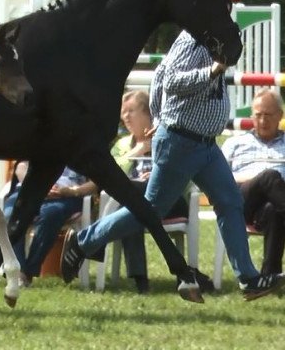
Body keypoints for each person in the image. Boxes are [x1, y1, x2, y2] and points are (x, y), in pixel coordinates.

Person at [61, 30, 285, 301]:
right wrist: (212, 72)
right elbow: (171, 79)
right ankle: (82, 241)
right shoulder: (192, 41)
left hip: (205, 144)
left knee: (229, 201)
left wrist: (156, 114)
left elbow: (159, 75)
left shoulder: (212, 43)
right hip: (181, 142)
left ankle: (248, 278)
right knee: (150, 210)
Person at [110, 90, 189, 294]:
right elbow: (109, 174)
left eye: (131, 111)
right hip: (137, 200)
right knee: (133, 208)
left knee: (131, 202)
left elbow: (182, 173)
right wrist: (137, 151)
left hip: (169, 200)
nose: (125, 117)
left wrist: (155, 177)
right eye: (123, 112)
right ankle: (140, 280)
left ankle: (139, 279)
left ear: (148, 113)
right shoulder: (121, 145)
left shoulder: (167, 138)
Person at [221, 89, 285, 274]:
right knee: (269, 176)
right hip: (241, 202)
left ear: (280, 115)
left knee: (274, 211)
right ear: (251, 116)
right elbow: (220, 178)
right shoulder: (235, 143)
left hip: (274, 203)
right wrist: (256, 178)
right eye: (258, 115)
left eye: (268, 115)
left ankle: (269, 277)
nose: (263, 121)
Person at [3, 163, 97, 287]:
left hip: (67, 195)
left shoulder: (85, 147)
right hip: (31, 188)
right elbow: (21, 167)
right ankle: (18, 271)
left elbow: (96, 183)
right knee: (11, 214)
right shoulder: (37, 142)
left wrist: (73, 191)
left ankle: (28, 272)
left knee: (50, 214)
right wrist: (38, 187)